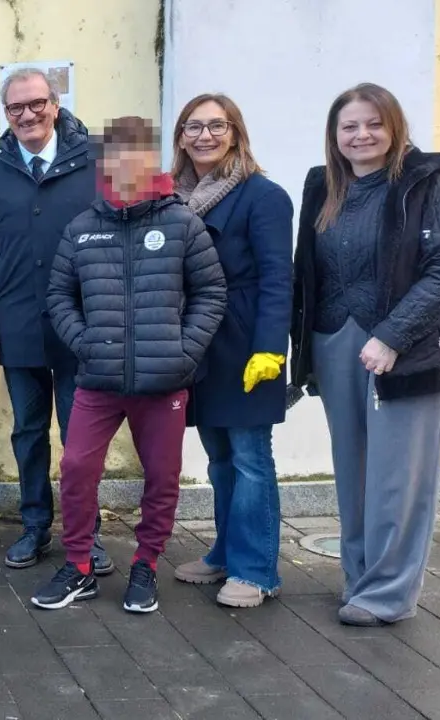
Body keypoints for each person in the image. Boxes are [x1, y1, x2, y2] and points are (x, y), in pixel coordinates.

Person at [289, 83, 440, 627]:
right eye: (349, 126)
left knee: (400, 474)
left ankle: (389, 592)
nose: (361, 135)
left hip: (406, 348)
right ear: (334, 135)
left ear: (394, 128)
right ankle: (359, 578)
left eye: (373, 124)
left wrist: (393, 336)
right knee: (354, 471)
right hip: (334, 342)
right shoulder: (323, 186)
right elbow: (307, 272)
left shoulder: (425, 183)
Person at [30, 116, 225, 615]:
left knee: (161, 475)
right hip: (98, 378)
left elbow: (210, 293)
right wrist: (86, 343)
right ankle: (78, 566)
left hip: (165, 382)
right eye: (114, 157)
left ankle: (145, 563)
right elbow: (59, 294)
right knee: (75, 469)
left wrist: (184, 351)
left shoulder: (182, 223)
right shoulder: (83, 227)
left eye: (134, 155)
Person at [0, 68, 111, 574]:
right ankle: (34, 527)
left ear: (55, 104)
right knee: (28, 432)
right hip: (17, 327)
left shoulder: (96, 161)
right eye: (15, 108)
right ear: (6, 115)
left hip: (82, 329)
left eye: (35, 104)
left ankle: (84, 536)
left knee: (80, 440)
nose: (26, 115)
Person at [167, 94, 295, 609]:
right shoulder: (173, 197)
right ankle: (224, 551)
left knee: (249, 458)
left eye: (216, 126)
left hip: (244, 343)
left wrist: (269, 349)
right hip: (199, 343)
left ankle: (257, 569)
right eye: (192, 127)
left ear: (236, 133)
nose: (204, 135)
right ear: (180, 137)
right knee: (219, 457)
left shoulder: (262, 195)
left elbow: (277, 279)